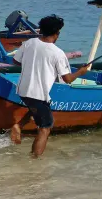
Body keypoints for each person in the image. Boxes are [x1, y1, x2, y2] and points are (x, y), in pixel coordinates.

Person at [10, 14, 92, 158]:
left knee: (38, 108)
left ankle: (19, 125)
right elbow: (68, 79)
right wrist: (81, 71)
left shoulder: (29, 43)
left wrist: (33, 63)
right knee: (45, 128)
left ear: (41, 30)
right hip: (38, 94)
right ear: (57, 33)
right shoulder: (58, 53)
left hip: (23, 90)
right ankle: (34, 160)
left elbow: (16, 61)